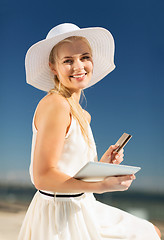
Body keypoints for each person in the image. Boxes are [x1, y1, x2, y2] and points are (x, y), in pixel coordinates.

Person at [18, 23, 161, 240]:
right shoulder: (56, 104)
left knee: (150, 231)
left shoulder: (83, 115)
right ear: (53, 67)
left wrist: (103, 167)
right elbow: (43, 176)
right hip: (59, 214)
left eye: (85, 57)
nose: (79, 66)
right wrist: (102, 185)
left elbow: (71, 169)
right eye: (68, 61)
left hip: (83, 205)